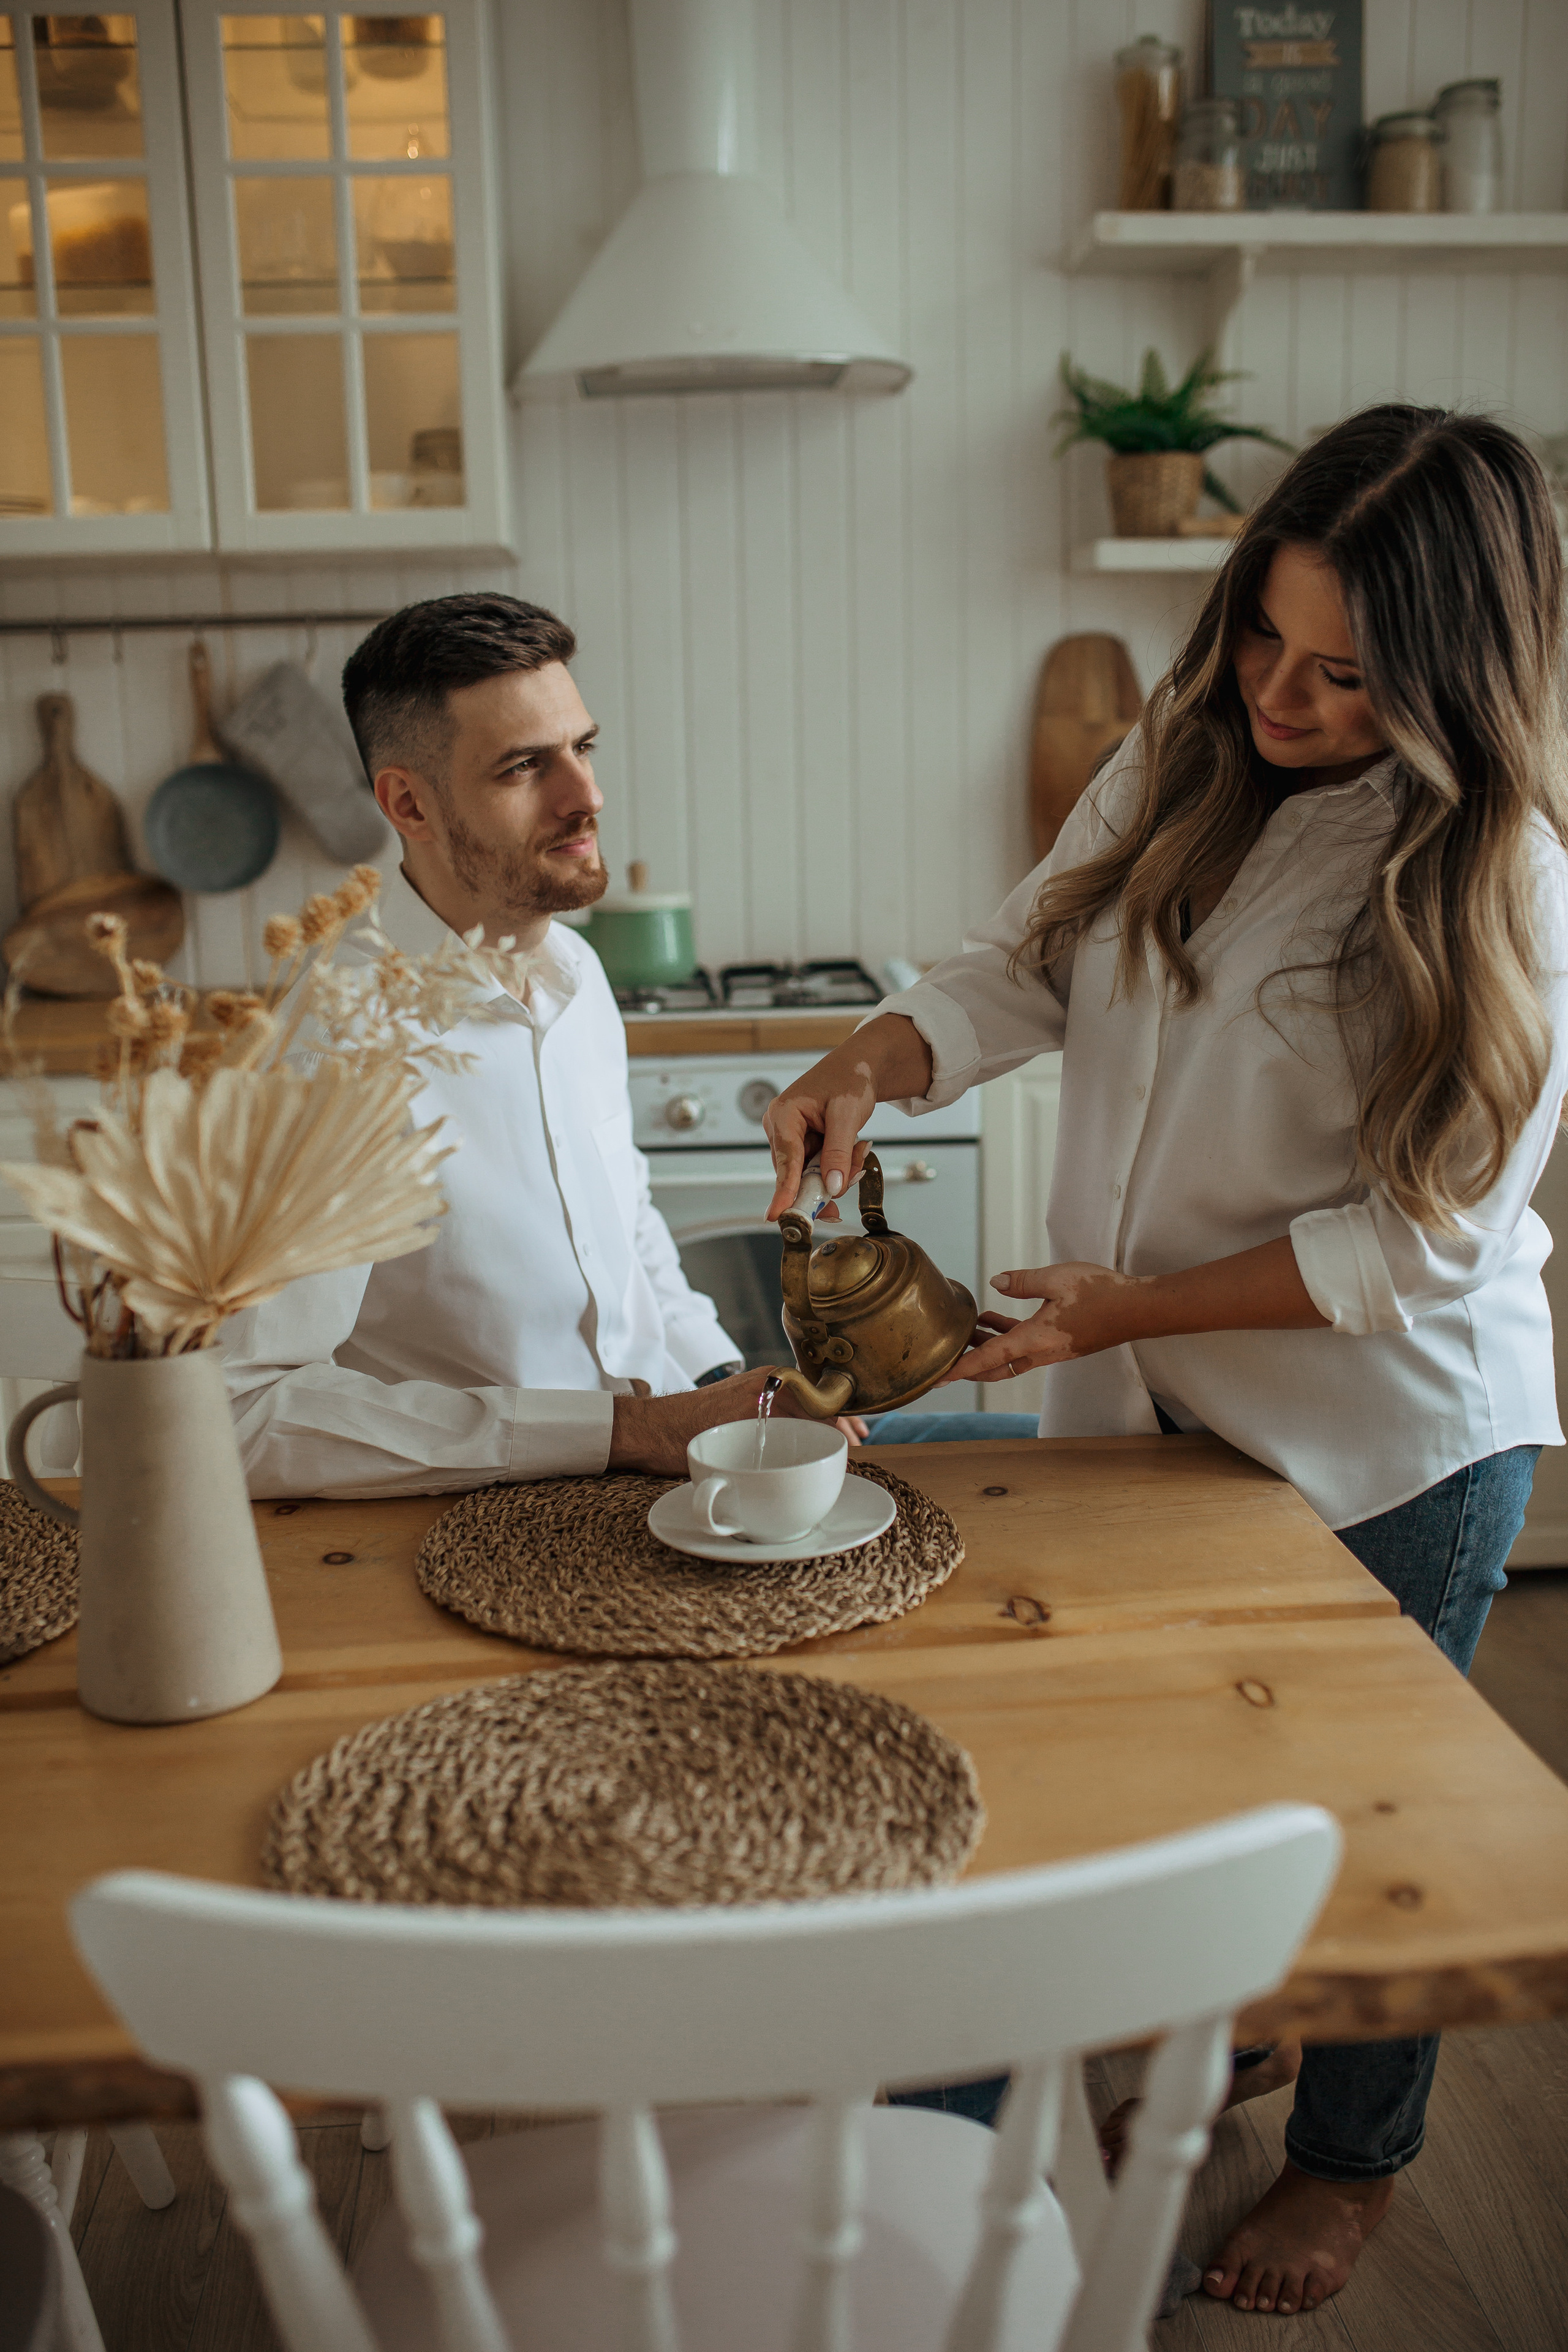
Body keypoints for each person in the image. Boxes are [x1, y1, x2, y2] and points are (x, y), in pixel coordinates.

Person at [764, 405, 1568, 2317]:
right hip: (1148, 1408)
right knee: (1142, 1764)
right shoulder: (1186, 745)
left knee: (1365, 1825)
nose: (1281, 696)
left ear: (1457, 678)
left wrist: (1126, 1307)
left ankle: (1353, 2161)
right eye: (1265, 637)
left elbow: (1416, 1241)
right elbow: (1024, 963)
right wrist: (869, 1059)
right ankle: (1209, 2024)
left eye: (1345, 676)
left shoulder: (1511, 881)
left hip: (1387, 1437)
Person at [219, 592, 850, 1494]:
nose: (586, 797)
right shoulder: (337, 1049)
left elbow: (627, 1231)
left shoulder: (576, 971)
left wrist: (725, 1386)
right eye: (524, 767)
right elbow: (243, 1413)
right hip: (497, 1519)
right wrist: (632, 1432)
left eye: (582, 748)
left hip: (667, 1461)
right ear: (409, 804)